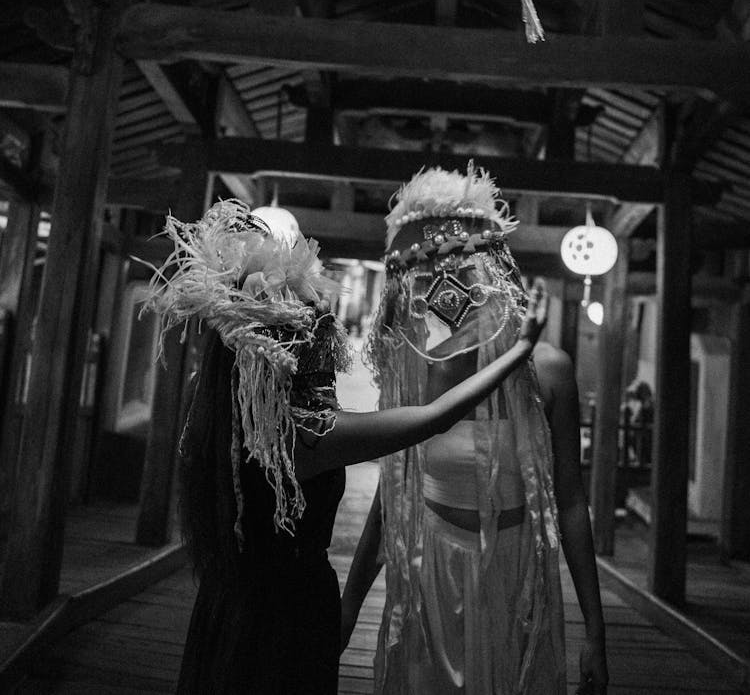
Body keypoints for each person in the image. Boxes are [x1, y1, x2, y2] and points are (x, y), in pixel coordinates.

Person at [140, 197, 548, 695]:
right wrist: (521, 349)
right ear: (274, 358)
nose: (321, 347)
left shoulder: (220, 416)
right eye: (309, 338)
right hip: (286, 613)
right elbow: (433, 418)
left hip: (227, 605)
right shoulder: (300, 438)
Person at [341, 164, 609, 694]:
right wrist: (347, 612)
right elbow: (391, 494)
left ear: (489, 277)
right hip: (431, 567)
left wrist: (597, 635)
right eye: (433, 277)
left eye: (462, 273)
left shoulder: (547, 369)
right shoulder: (413, 366)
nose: (449, 291)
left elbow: (571, 500)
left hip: (514, 570)